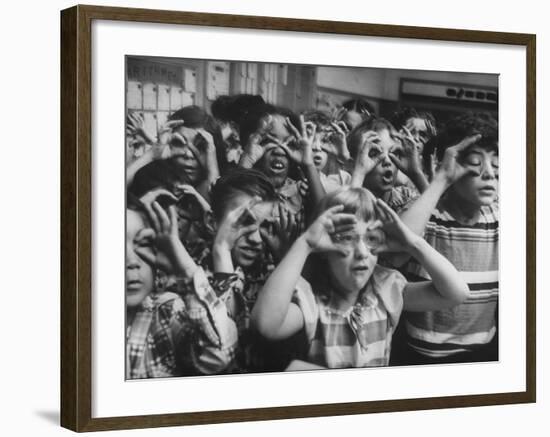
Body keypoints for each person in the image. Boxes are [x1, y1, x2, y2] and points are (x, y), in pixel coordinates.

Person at [251, 187, 469, 369]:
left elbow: (456, 293)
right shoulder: (312, 299)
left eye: (371, 239)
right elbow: (265, 325)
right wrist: (305, 244)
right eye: (347, 238)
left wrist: (411, 243)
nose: (362, 252)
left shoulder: (386, 289)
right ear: (324, 247)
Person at [392, 112, 499, 365]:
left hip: (483, 355)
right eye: (475, 164)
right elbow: (396, 251)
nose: (490, 175)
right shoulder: (428, 215)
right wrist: (440, 180)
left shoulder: (498, 217)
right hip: (418, 357)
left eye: (497, 166)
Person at [125, 195, 237, 378]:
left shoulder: (165, 312)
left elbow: (220, 354)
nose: (131, 261)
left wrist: (184, 269)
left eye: (143, 243)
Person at [349, 117, 428, 212]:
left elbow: (434, 216)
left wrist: (416, 174)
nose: (387, 161)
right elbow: (346, 219)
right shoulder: (341, 193)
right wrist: (358, 174)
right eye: (374, 154)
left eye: (394, 153)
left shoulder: (406, 196)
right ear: (353, 165)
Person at [302, 110, 352, 193]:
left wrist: (344, 157)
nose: (317, 148)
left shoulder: (337, 182)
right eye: (310, 139)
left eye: (324, 141)